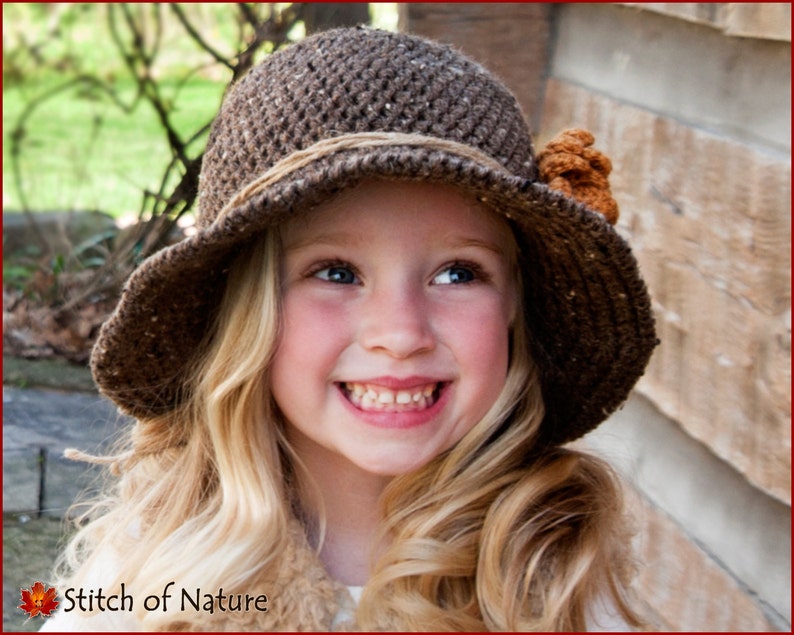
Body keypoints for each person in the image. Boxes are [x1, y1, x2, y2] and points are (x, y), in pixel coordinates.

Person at [43, 26, 657, 631]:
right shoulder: (151, 566)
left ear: (516, 305)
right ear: (245, 313)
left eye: (457, 274)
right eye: (336, 271)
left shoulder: (555, 584)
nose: (401, 333)